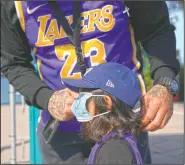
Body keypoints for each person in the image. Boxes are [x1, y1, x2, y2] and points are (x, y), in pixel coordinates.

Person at [1, 1, 180, 164]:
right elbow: (13, 63)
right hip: (61, 132)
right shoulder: (12, 4)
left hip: (122, 124)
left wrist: (164, 83)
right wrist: (47, 99)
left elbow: (157, 30)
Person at [62, 62, 143, 164]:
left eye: (84, 100)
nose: (78, 107)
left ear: (106, 102)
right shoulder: (116, 142)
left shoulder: (113, 151)